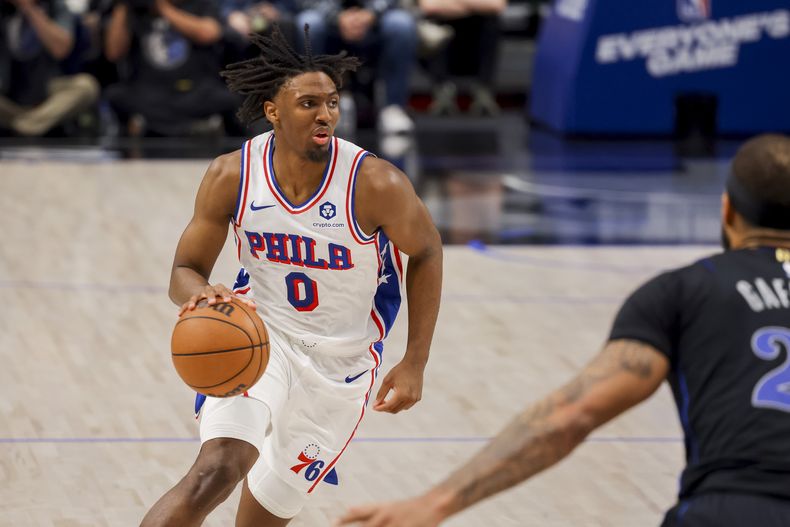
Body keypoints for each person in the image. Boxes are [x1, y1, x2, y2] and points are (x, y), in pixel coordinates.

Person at [336, 134, 790, 526]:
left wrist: (435, 504)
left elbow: (570, 416)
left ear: (728, 211)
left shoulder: (685, 291)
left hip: (733, 508)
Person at [140, 25, 443, 527]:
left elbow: (428, 250)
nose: (324, 115)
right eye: (308, 104)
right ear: (273, 110)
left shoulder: (375, 183)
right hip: (261, 339)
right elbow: (184, 270)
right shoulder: (232, 175)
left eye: (331, 103)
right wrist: (203, 294)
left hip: (341, 365)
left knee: (263, 518)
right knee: (215, 470)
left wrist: (415, 360)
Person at [103, 0, 240, 136]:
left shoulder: (200, 5)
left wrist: (164, 8)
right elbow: (113, 53)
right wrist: (122, 6)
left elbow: (209, 34)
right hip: (148, 92)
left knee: (229, 99)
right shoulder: (136, 8)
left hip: (195, 90)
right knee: (115, 95)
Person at [294, 0, 418, 135]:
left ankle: (393, 107)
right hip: (329, 18)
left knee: (401, 24)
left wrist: (370, 14)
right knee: (308, 22)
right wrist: (337, 16)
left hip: (374, 19)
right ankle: (317, 107)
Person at [0, 0, 99, 136]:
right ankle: (31, 123)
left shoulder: (56, 6)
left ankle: (25, 125)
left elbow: (61, 49)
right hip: (9, 93)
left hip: (47, 93)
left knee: (87, 86)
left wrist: (29, 9)